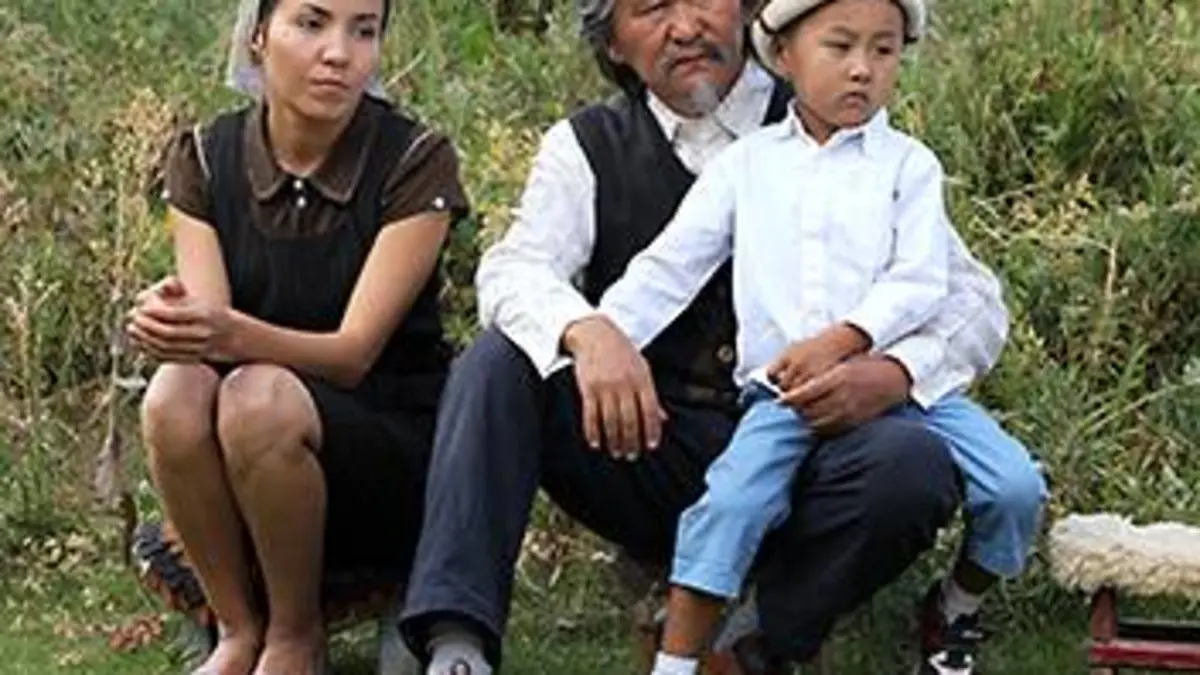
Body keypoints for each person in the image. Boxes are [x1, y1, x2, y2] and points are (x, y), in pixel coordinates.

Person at [395, 0, 997, 673]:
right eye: (652, 7)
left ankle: (757, 641)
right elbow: (513, 269)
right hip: (651, 445)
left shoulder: (833, 112)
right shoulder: (586, 147)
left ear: (747, 10)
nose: (685, 27)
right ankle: (458, 646)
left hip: (817, 446)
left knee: (912, 463)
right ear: (613, 43)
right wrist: (588, 331)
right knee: (499, 361)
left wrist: (896, 373)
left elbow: (972, 300)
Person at [592, 0, 1048, 673]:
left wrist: (847, 339)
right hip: (784, 395)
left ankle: (955, 609)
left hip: (907, 392)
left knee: (1015, 487)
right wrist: (604, 335)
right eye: (840, 47)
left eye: (883, 51)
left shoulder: (910, 167)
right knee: (732, 504)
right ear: (783, 56)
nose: (862, 69)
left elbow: (922, 280)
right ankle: (678, 662)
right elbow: (671, 267)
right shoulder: (746, 166)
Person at [127, 0, 468, 672]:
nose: (339, 53)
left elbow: (353, 354)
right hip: (249, 454)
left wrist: (225, 331)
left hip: (386, 448)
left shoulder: (414, 161)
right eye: (312, 24)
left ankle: (294, 635)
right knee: (174, 391)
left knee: (257, 398)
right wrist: (169, 321)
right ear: (258, 36)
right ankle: (236, 629)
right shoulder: (205, 157)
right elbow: (207, 338)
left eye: (363, 30)